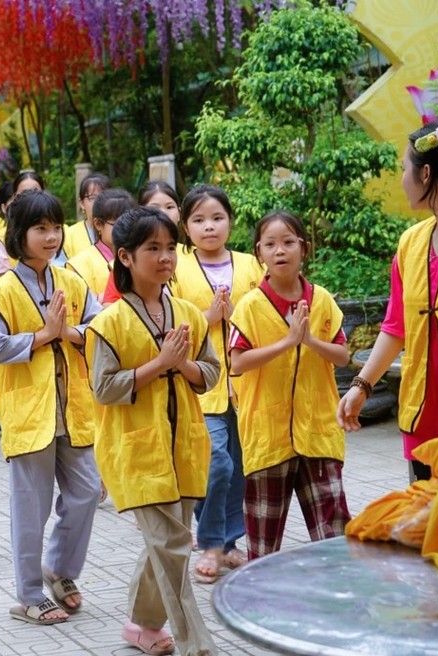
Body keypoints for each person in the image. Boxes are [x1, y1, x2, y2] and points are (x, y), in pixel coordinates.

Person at [86, 206, 218, 656]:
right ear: (125, 257)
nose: (165, 258)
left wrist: (183, 366)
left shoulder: (187, 315)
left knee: (168, 544)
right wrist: (158, 366)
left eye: (169, 248)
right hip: (136, 451)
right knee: (174, 546)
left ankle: (142, 625)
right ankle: (196, 644)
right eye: (152, 249)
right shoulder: (108, 323)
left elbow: (213, 373)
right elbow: (103, 389)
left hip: (184, 446)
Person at [337, 122, 438, 481]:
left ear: (426, 173)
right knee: (428, 524)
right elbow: (396, 326)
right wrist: (362, 385)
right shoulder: (410, 242)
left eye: (404, 170)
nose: (402, 179)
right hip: (422, 412)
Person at [0, 189, 102, 625]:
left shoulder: (71, 281)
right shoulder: (3, 290)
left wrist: (66, 332)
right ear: (20, 234)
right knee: (30, 509)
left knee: (88, 491)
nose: (51, 237)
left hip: (72, 409)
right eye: (40, 229)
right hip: (29, 414)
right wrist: (42, 336)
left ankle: (60, 568)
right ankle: (30, 595)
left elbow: (100, 327)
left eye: (55, 227)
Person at [228, 211, 352, 560]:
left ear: (304, 248)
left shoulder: (322, 300)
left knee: (335, 537)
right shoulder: (251, 306)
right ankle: (260, 608)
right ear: (259, 253)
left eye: (288, 242)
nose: (280, 251)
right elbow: (236, 363)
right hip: (267, 437)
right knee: (264, 548)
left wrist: (309, 339)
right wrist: (286, 342)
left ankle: (338, 602)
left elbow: (342, 356)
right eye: (270, 244)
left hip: (319, 430)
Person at [171, 185, 263, 583]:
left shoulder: (250, 265)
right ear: (185, 226)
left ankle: (228, 541)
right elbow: (166, 324)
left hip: (248, 382)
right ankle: (210, 541)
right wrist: (207, 317)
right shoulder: (174, 266)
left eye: (217, 218)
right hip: (201, 382)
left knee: (241, 466)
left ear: (230, 220)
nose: (209, 227)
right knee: (217, 464)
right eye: (199, 220)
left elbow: (267, 312)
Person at [103, 180, 182, 304]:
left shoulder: (193, 255)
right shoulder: (125, 262)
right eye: (153, 248)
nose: (163, 213)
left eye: (169, 207)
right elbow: (109, 304)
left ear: (179, 212)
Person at [66, 188, 135, 298]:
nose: (126, 229)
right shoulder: (79, 265)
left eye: (131, 223)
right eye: (118, 224)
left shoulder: (141, 256)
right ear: (98, 224)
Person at [64, 173, 110, 259]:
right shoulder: (68, 236)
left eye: (104, 196)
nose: (99, 202)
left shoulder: (119, 231)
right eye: (93, 198)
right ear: (82, 203)